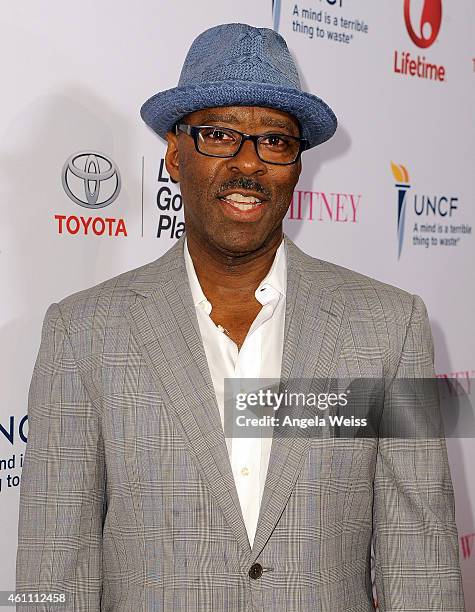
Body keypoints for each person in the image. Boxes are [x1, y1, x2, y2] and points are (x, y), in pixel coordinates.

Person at [16, 22, 465, 612]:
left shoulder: (390, 326)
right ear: (175, 154)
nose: (249, 164)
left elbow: (422, 561)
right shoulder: (83, 333)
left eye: (275, 141)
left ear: (298, 166)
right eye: (220, 135)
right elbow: (55, 572)